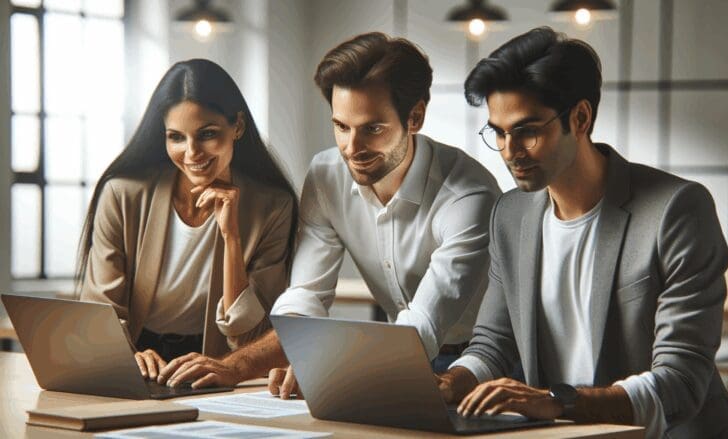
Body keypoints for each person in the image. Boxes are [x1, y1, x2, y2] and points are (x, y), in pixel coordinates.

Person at [437, 27, 728, 438]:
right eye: (498, 131)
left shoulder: (676, 210)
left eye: (527, 131)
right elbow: (494, 343)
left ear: (580, 118)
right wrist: (450, 383)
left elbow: (681, 381)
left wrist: (558, 401)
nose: (510, 151)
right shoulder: (510, 216)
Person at [156, 32, 501, 394]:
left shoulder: (467, 196)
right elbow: (305, 296)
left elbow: (421, 325)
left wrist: (325, 364)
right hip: (397, 353)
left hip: (478, 368)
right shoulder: (326, 175)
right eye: (341, 126)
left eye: (373, 129)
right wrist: (252, 363)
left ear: (414, 117)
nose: (352, 148)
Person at [78, 59, 298, 382]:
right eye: (176, 137)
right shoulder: (122, 195)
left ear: (237, 126)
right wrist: (124, 356)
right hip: (136, 361)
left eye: (207, 134)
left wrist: (232, 237)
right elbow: (99, 314)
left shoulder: (273, 207)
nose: (192, 152)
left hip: (215, 364)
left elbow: (251, 339)